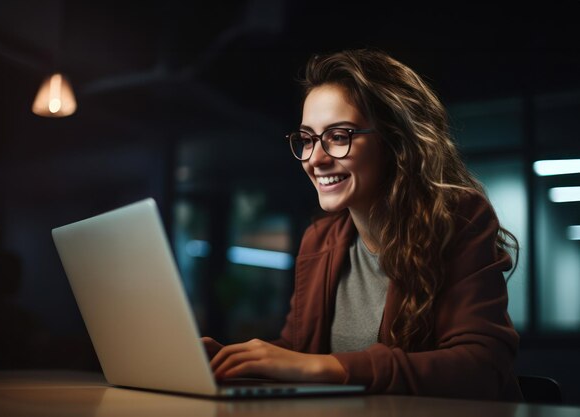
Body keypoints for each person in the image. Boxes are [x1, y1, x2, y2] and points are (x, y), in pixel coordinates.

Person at [202, 48, 522, 401]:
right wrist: (235, 359)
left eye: (339, 136)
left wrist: (327, 367)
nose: (316, 159)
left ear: (395, 142)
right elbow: (299, 354)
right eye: (307, 139)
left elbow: (482, 368)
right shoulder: (320, 239)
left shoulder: (461, 219)